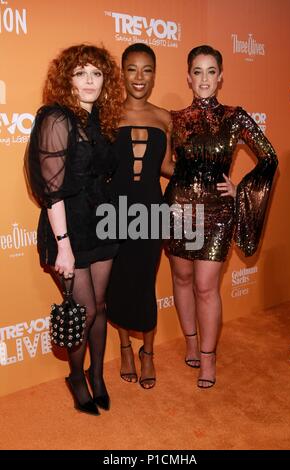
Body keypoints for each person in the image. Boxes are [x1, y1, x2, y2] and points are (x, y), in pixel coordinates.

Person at [164, 45, 278, 388]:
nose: (204, 79)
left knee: (204, 285)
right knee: (182, 280)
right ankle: (192, 343)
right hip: (178, 209)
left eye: (210, 71)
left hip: (216, 213)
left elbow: (269, 157)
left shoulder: (236, 116)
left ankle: (209, 358)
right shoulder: (175, 119)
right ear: (188, 76)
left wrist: (241, 187)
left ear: (221, 76)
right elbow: (167, 164)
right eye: (197, 72)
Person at [25, 44, 123, 414]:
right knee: (82, 312)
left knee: (98, 305)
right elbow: (51, 191)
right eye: (81, 73)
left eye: (96, 74)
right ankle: (77, 377)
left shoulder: (101, 119)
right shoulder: (56, 118)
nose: (89, 81)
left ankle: (98, 376)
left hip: (103, 225)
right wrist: (63, 246)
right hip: (69, 229)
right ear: (67, 78)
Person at [106, 43, 173, 389]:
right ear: (122, 73)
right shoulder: (107, 114)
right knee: (117, 281)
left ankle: (147, 353)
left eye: (147, 70)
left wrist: (203, 169)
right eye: (132, 69)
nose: (139, 77)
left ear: (154, 75)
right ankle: (125, 348)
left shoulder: (165, 117)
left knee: (145, 283)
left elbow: (165, 167)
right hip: (113, 213)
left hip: (151, 212)